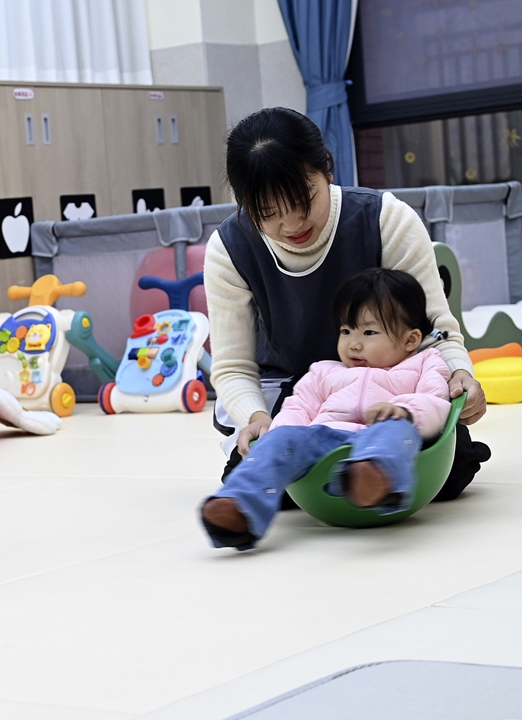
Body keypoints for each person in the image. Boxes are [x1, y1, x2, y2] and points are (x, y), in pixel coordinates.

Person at [205, 107, 489, 502]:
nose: (291, 226)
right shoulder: (230, 249)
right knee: (260, 475)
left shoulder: (386, 219)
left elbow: (435, 328)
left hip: (391, 390)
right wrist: (256, 418)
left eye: (304, 201)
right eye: (267, 214)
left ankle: (366, 472)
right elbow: (233, 366)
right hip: (299, 400)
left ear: (328, 170)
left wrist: (461, 375)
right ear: (245, 205)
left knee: (450, 471)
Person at [201, 268, 452, 549]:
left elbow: (439, 404)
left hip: (382, 436)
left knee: (394, 428)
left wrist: (403, 409)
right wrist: (277, 435)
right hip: (324, 439)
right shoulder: (324, 372)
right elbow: (298, 408)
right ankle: (239, 506)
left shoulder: (425, 363)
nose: (353, 343)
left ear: (410, 339)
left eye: (369, 332)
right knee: (280, 438)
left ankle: (373, 476)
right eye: (346, 331)